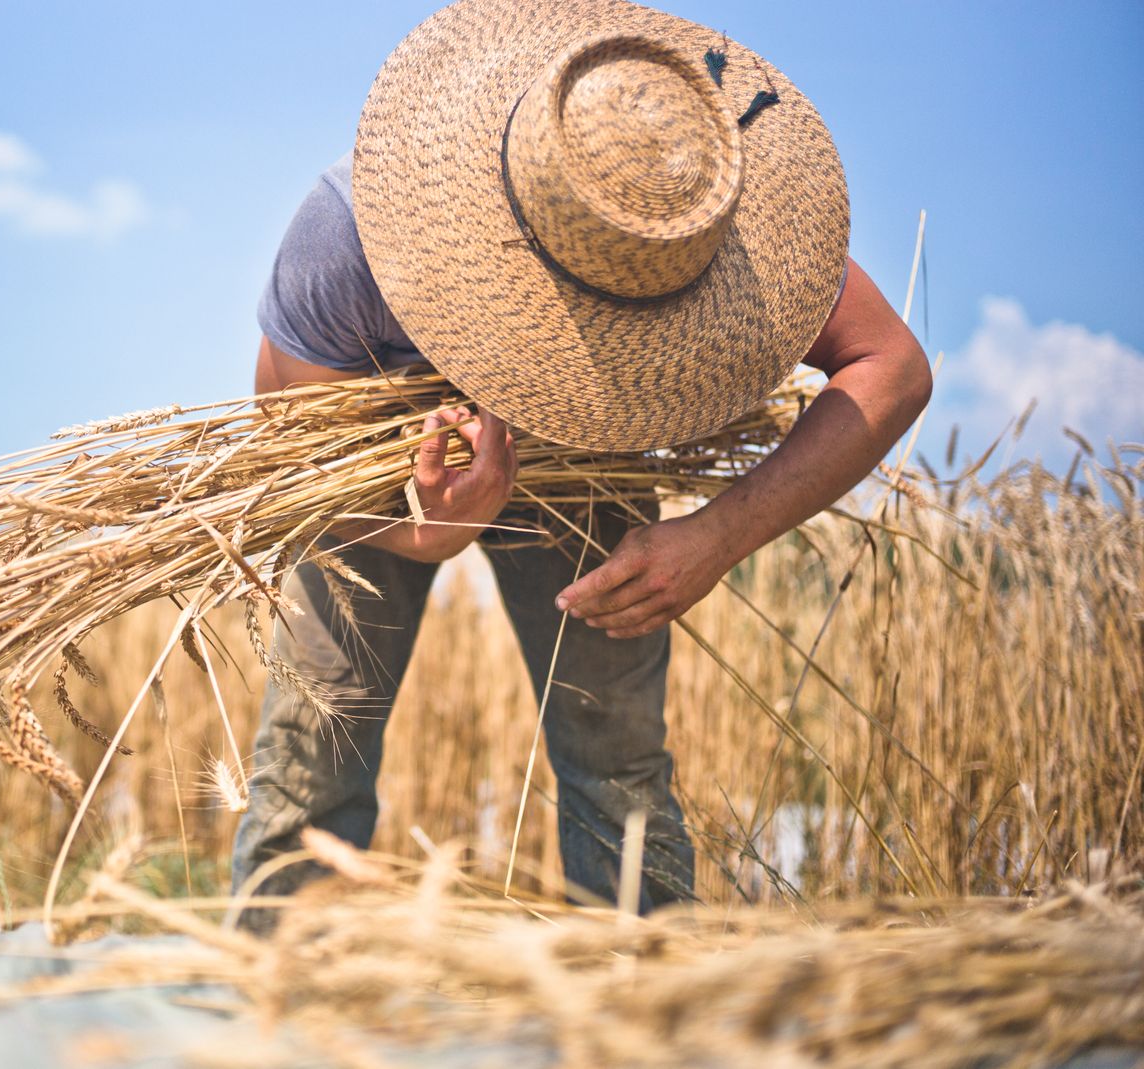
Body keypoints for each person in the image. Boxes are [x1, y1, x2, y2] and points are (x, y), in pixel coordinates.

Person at [231, 0, 931, 920]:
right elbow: (288, 456)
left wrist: (715, 537)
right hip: (370, 463)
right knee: (312, 755)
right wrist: (424, 532)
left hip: (587, 469)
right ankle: (275, 1013)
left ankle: (639, 1019)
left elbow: (893, 368)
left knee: (618, 776)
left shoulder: (715, 226)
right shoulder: (350, 235)